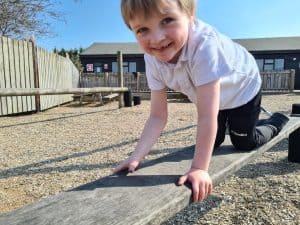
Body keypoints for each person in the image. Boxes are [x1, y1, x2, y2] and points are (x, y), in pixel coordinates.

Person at [114, 0, 289, 202]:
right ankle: (242, 124)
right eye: (142, 29)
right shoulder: (152, 59)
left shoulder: (204, 46)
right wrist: (136, 156)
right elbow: (157, 116)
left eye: (167, 20)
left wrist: (199, 169)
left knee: (243, 141)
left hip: (242, 90)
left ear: (190, 15)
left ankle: (276, 121)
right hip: (214, 97)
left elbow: (207, 115)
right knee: (212, 142)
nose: (157, 38)